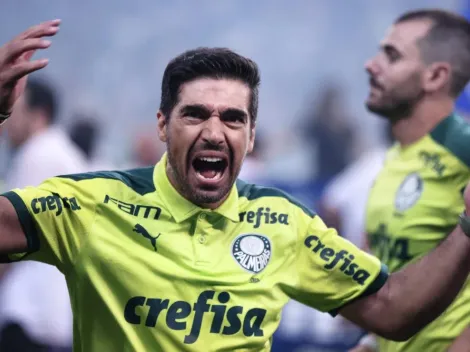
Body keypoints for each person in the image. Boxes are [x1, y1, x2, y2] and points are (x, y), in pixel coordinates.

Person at [2, 20, 470, 352]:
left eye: (232, 118)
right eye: (194, 114)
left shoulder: (284, 222)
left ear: (250, 134)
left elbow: (394, 308)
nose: (213, 131)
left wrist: (467, 224)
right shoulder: (92, 204)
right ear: (163, 125)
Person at [349, 9, 470, 352]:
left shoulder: (462, 148)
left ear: (435, 76)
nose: (370, 65)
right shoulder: (395, 157)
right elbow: (399, 272)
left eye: (391, 55)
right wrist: (373, 341)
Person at [0, 77, 86, 351]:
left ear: (39, 114)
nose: (8, 123)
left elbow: (8, 230)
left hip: (31, 310)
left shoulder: (38, 154)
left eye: (15, 112)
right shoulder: (65, 152)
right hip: (57, 310)